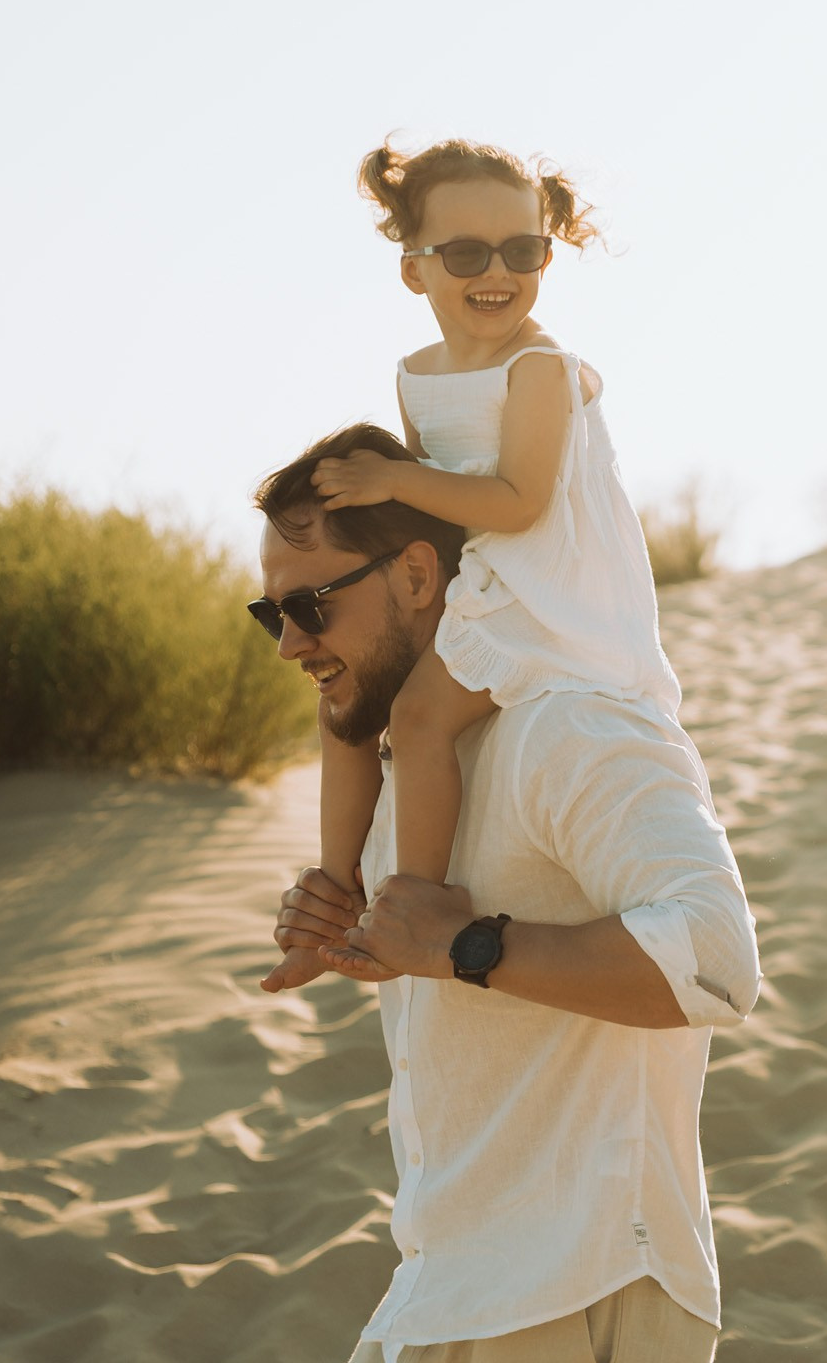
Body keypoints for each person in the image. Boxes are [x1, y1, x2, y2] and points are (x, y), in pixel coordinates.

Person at [247, 424, 758, 1363]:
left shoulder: (573, 727)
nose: (290, 643)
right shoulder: (407, 778)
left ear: (421, 572)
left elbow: (715, 958)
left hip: (578, 1296)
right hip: (430, 1304)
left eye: (310, 606)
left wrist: (469, 944)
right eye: (271, 614)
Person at [259, 139, 679, 994]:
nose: (497, 272)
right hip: (478, 579)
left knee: (415, 720)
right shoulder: (418, 375)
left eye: (522, 251)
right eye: (463, 253)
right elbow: (433, 513)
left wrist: (392, 477)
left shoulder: (540, 369)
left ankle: (412, 905)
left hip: (547, 588)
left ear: (545, 255)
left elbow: (522, 501)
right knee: (348, 716)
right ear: (415, 269)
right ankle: (335, 895)